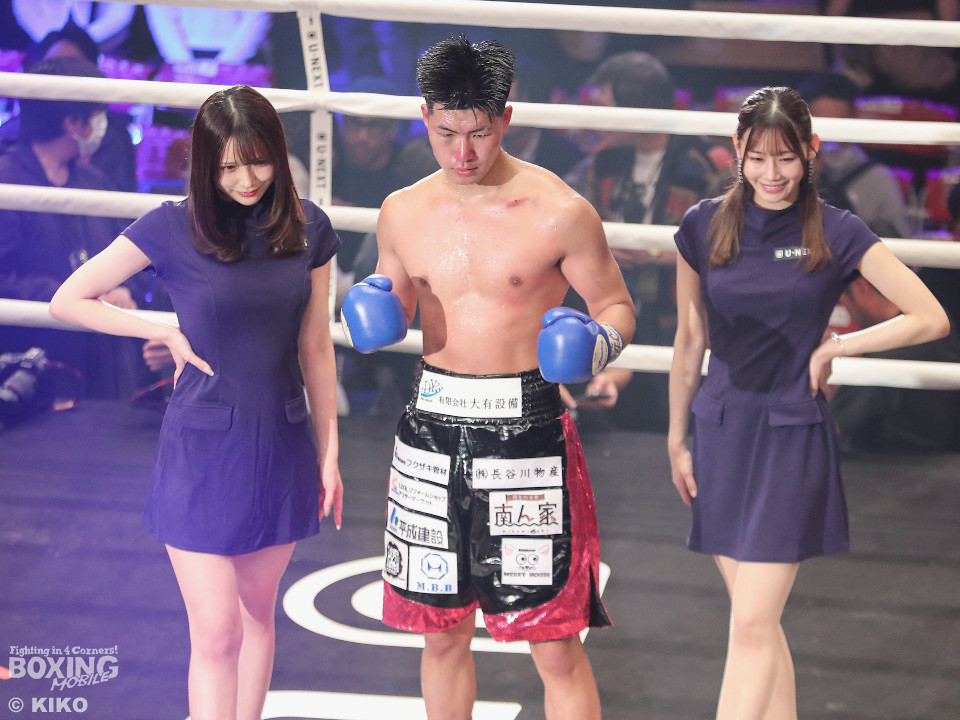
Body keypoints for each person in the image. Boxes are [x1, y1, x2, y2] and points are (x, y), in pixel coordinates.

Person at [340, 36, 634, 720]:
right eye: (446, 133)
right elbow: (395, 308)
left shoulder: (560, 210)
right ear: (424, 117)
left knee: (554, 643)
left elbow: (617, 305)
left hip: (526, 432)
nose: (463, 152)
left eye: (478, 132)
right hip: (429, 430)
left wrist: (597, 346)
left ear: (506, 117)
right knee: (440, 634)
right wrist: (377, 313)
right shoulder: (402, 210)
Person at [49, 85, 344, 720]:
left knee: (257, 615)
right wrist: (160, 331)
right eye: (229, 165)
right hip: (201, 449)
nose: (247, 179)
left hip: (282, 440)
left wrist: (330, 454)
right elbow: (68, 299)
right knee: (217, 631)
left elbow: (316, 346)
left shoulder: (310, 227)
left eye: (258, 161)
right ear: (205, 164)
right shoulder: (170, 225)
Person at [667, 86, 949, 720]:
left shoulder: (838, 231)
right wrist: (676, 439)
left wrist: (839, 346)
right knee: (757, 624)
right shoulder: (702, 224)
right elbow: (689, 339)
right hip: (720, 431)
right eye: (758, 158)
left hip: (791, 437)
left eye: (786, 157)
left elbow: (930, 316)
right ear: (737, 150)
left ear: (811, 150)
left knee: (750, 626)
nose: (772, 173)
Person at [566, 50, 729, 431]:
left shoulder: (708, 163)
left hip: (685, 314)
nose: (596, 118)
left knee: (686, 423)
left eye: (605, 107)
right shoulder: (604, 161)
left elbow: (732, 246)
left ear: (637, 107)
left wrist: (656, 254)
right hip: (616, 306)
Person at [0, 56, 142, 398]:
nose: (103, 122)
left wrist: (123, 289)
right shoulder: (6, 181)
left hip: (98, 362)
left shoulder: (94, 181)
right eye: (97, 112)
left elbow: (128, 252)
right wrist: (77, 295)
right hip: (25, 362)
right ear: (73, 122)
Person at [798, 72, 912, 238]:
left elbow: (899, 243)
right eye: (819, 125)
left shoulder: (878, 179)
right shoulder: (785, 174)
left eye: (837, 125)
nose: (827, 138)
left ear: (852, 119)